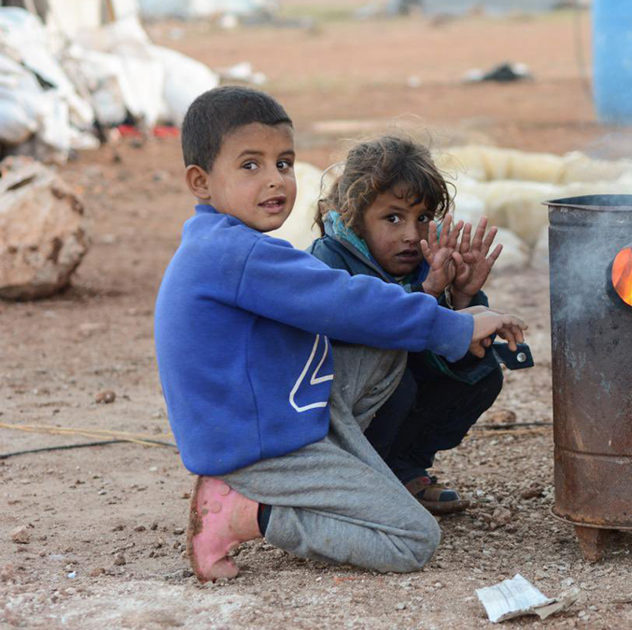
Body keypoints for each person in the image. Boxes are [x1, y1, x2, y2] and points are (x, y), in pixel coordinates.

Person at [153, 86, 526, 582]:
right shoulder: (237, 256)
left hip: (279, 413)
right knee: (413, 539)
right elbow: (346, 301)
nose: (274, 180)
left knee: (388, 350)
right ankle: (244, 512)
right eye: (250, 165)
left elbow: (368, 315)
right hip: (262, 447)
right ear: (200, 182)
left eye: (284, 163)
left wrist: (455, 308)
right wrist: (454, 324)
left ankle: (358, 474)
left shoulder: (227, 245)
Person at [308, 136, 513, 514]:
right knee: (396, 377)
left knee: (483, 373)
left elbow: (445, 347)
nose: (410, 234)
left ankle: (401, 467)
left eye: (422, 218)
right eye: (393, 218)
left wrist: (464, 297)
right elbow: (368, 327)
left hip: (393, 392)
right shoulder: (330, 259)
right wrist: (426, 291)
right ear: (355, 216)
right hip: (336, 407)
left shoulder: (421, 258)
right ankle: (359, 479)